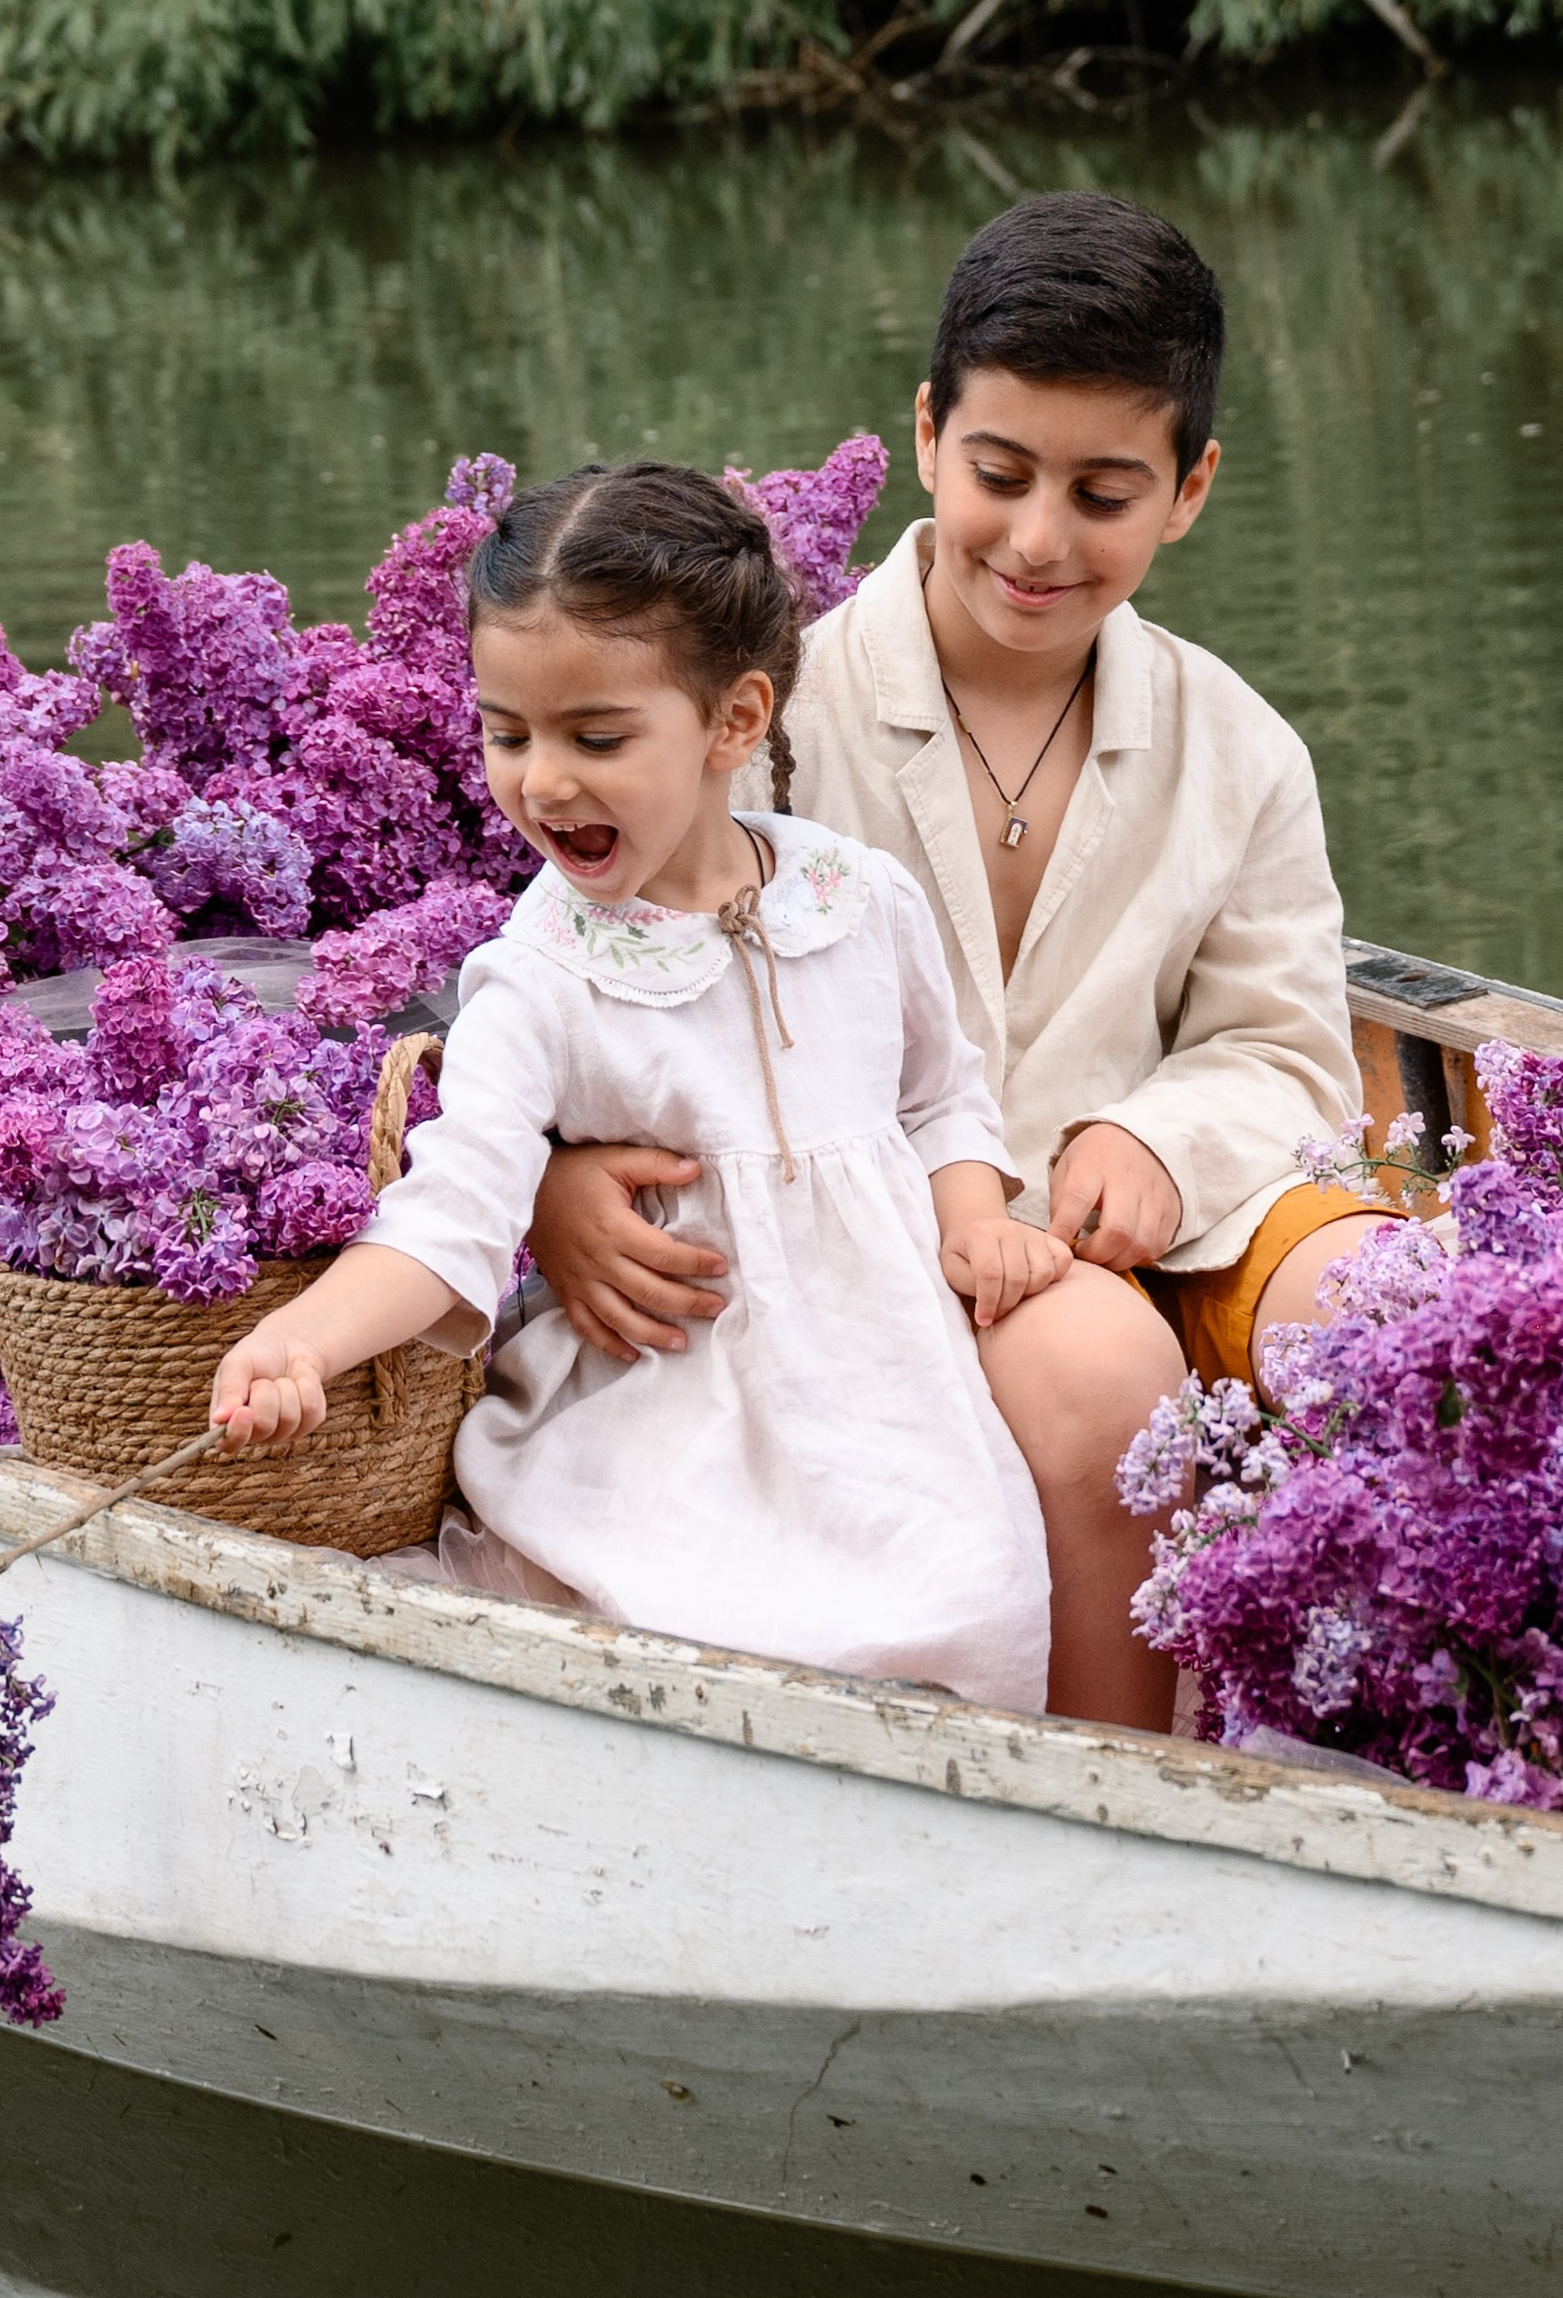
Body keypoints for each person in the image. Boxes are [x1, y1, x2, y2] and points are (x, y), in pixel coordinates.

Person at [527, 193, 1382, 1733]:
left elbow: (1286, 1049)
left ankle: (1423, 1727)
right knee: (1099, 1378)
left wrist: (1156, 1138)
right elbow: (614, 969)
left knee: (1388, 1304)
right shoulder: (768, 714)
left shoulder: (1240, 747)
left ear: (1189, 490)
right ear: (925, 435)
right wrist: (555, 1174)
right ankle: (1107, 1798)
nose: (1040, 539)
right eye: (1000, 474)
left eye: (1104, 491)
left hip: (1160, 1214)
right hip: (885, 1232)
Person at [208, 462, 1060, 1709]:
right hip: (669, 1406)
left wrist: (975, 1213)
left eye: (595, 737)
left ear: (732, 721)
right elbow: (453, 1210)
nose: (543, 781)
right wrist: (302, 1338)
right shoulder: (539, 976)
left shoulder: (857, 900)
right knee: (709, 1626)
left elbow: (940, 1098)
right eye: (508, 733)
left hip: (884, 1396)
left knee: (976, 1598)